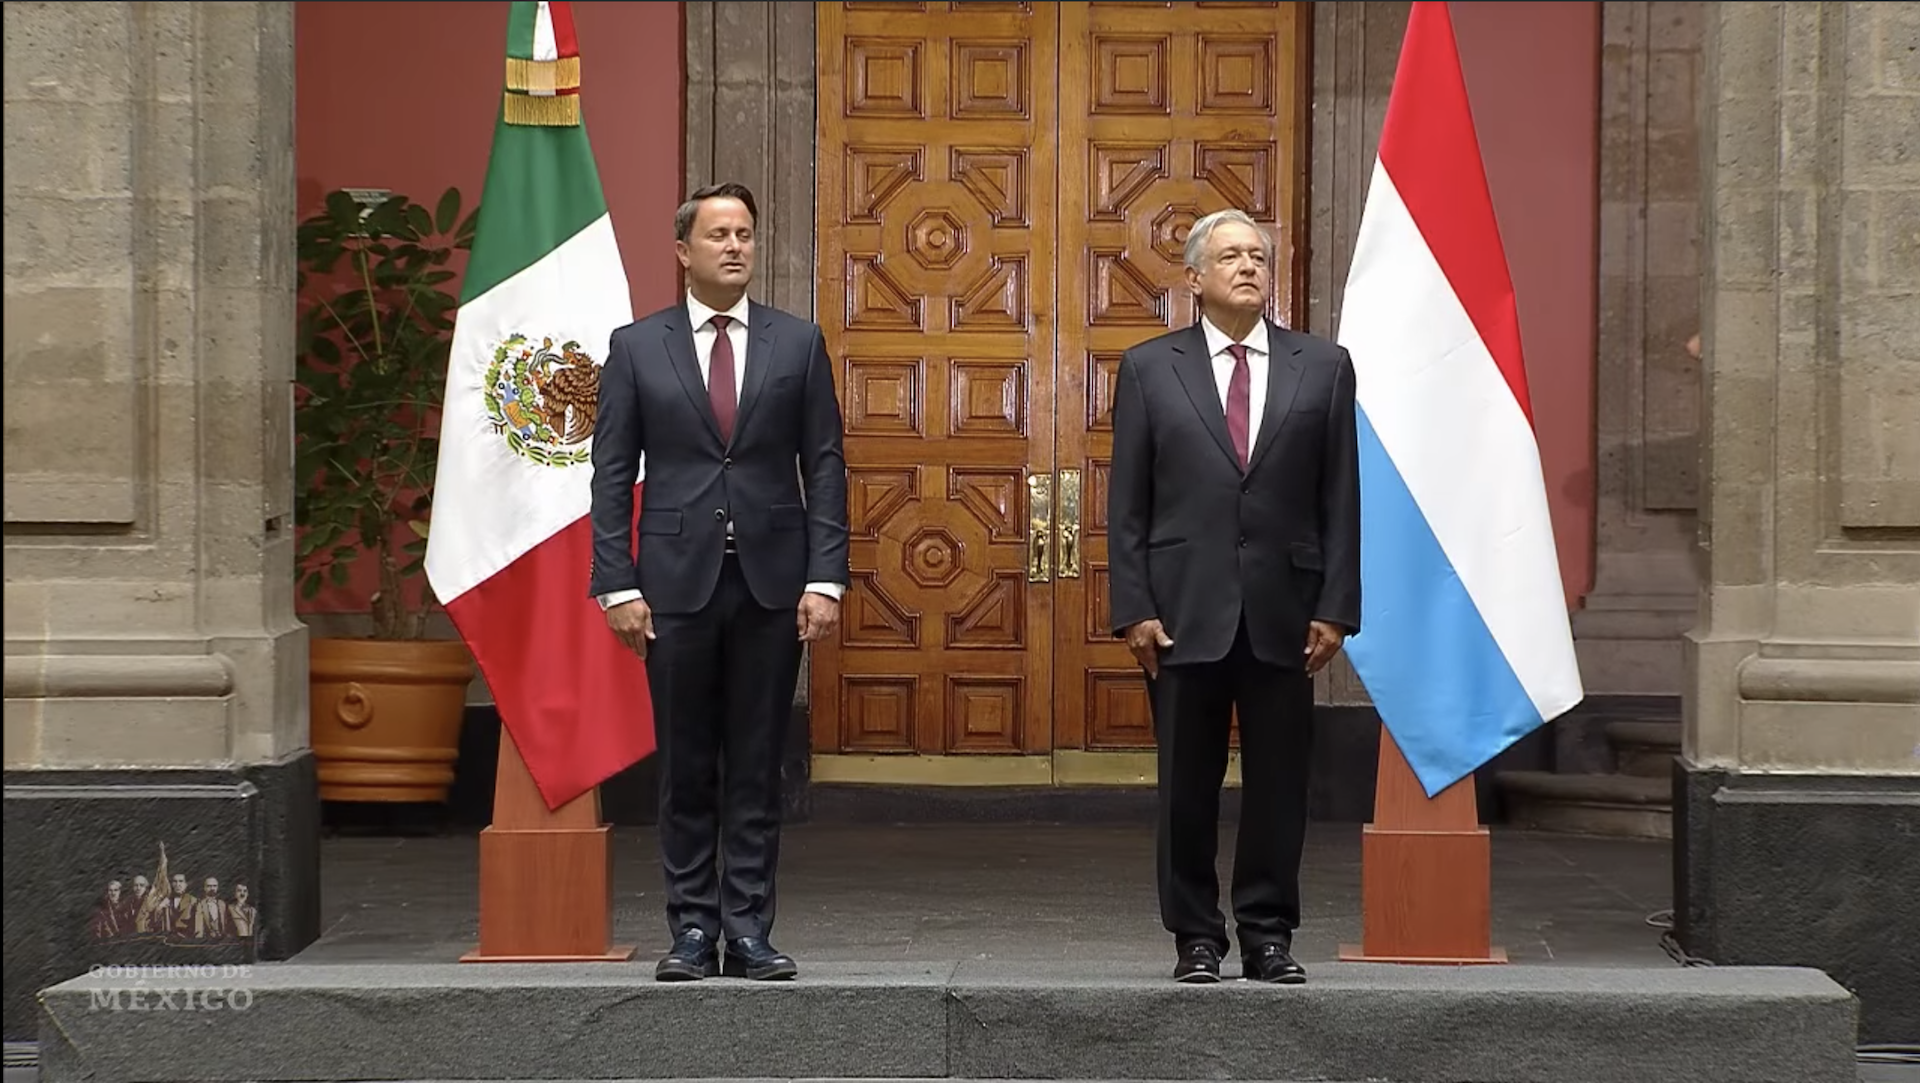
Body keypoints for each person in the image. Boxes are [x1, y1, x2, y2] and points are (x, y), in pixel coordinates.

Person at [589, 182, 850, 982]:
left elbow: (826, 465)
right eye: (718, 234)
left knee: (758, 762)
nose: (735, 246)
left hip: (773, 585)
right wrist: (617, 585)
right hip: (673, 586)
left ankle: (751, 929)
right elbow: (609, 473)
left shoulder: (796, 343)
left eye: (745, 232)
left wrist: (826, 577)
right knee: (688, 764)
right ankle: (694, 931)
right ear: (683, 252)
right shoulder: (637, 347)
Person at [1106, 208, 1361, 985]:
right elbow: (1130, 503)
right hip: (1183, 611)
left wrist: (1336, 606)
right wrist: (1135, 606)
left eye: (1257, 255)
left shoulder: (1323, 366)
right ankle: (1195, 936)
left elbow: (1341, 495)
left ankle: (1268, 931)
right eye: (1230, 256)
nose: (1248, 266)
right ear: (1195, 277)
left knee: (1280, 784)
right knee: (1187, 784)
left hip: (1287, 609)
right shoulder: (1152, 368)